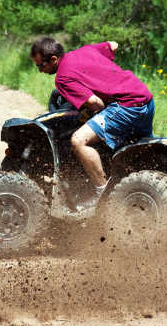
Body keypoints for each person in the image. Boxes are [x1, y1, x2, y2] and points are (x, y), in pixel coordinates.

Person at [30, 36, 154, 206]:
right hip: (145, 100)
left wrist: (94, 111)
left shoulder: (62, 78)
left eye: (40, 65)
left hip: (126, 106)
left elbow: (96, 103)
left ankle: (102, 196)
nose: (39, 70)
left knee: (78, 140)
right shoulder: (86, 50)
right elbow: (113, 44)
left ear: (53, 59)